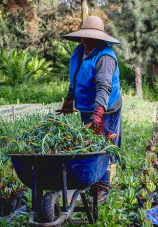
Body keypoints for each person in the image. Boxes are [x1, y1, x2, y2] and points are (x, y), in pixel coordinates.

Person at [60, 16, 122, 201]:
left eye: (89, 38)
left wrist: (98, 114)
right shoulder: (79, 52)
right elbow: (75, 78)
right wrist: (69, 99)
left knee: (103, 143)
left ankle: (102, 186)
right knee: (88, 141)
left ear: (98, 38)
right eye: (83, 37)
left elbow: (103, 87)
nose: (84, 41)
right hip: (87, 106)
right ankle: (91, 179)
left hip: (106, 107)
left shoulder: (105, 57)